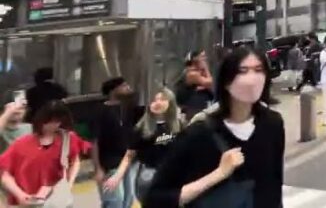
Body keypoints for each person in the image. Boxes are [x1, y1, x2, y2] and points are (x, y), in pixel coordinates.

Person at [144, 47, 284, 208]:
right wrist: (219, 173)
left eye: (259, 70)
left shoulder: (273, 124)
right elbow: (155, 198)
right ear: (226, 81)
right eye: (243, 71)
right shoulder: (199, 133)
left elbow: (275, 186)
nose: (252, 79)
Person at [107, 87, 184, 203]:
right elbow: (129, 155)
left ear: (171, 103)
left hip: (173, 173)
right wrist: (117, 176)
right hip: (149, 173)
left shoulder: (179, 126)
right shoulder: (142, 128)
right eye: (154, 100)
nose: (157, 103)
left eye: (162, 99)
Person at [0, 101, 82, 206]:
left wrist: (67, 184)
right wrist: (7, 113)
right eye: (12, 106)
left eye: (21, 107)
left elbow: (73, 159)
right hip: (9, 185)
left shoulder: (31, 128)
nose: (17, 110)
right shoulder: (4, 130)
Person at [94, 76, 136, 208]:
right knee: (114, 201)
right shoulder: (100, 111)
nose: (127, 88)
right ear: (113, 90)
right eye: (123, 86)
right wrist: (98, 168)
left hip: (127, 161)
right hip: (109, 163)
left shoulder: (126, 108)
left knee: (128, 199)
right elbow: (94, 142)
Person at [176, 51, 215, 118]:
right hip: (192, 110)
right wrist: (205, 68)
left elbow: (211, 86)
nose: (205, 60)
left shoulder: (199, 73)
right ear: (195, 60)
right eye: (202, 57)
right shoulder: (191, 74)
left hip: (202, 108)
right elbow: (209, 82)